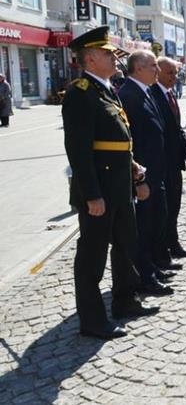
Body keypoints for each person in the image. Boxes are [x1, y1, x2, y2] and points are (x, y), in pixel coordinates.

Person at [62, 26, 158, 340]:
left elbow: (116, 140)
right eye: (106, 53)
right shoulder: (80, 92)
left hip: (119, 185)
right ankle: (92, 320)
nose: (113, 57)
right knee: (92, 257)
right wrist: (91, 194)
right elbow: (78, 150)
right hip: (100, 189)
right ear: (89, 58)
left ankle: (125, 300)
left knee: (125, 246)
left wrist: (132, 169)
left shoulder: (106, 88)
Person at [118, 50, 176, 296]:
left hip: (156, 172)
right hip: (143, 176)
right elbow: (131, 141)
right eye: (153, 65)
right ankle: (145, 278)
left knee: (155, 223)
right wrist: (138, 177)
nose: (157, 70)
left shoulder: (145, 91)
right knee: (143, 229)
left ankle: (152, 266)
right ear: (139, 68)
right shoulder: (129, 95)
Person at [151, 57, 186, 259]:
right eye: (170, 73)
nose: (174, 77)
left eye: (175, 73)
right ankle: (164, 249)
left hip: (174, 162)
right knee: (164, 210)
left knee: (174, 206)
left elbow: (177, 130)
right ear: (158, 72)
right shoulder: (152, 95)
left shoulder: (169, 95)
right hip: (161, 163)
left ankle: (173, 243)